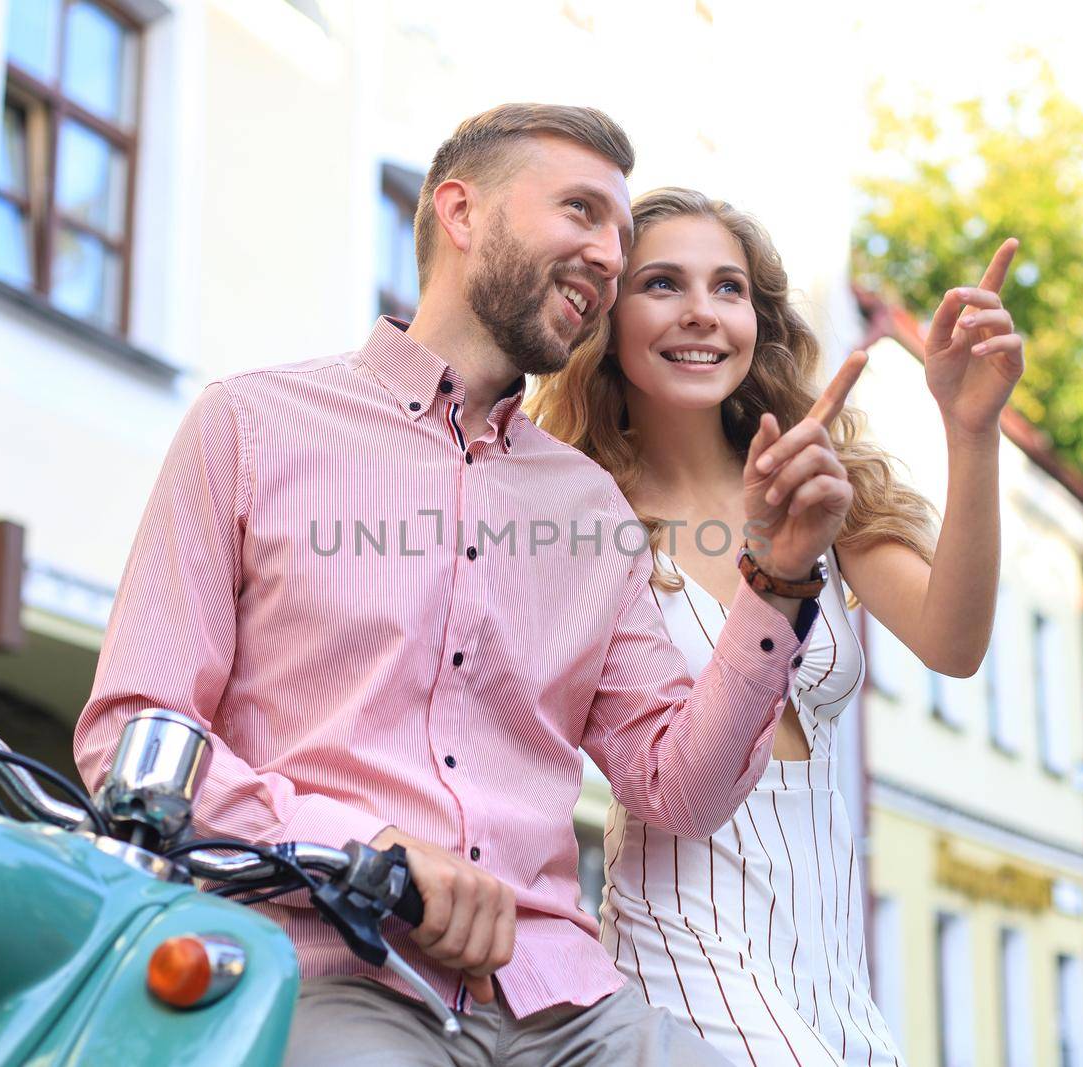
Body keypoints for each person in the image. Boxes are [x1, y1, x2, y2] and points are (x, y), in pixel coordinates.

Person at [74, 106, 867, 1067]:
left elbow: (678, 787)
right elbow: (132, 740)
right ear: (459, 210)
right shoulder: (248, 427)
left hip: (557, 1002)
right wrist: (367, 848)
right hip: (324, 970)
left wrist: (778, 579)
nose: (609, 256)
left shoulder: (590, 510)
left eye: (619, 236)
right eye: (581, 212)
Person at [528, 187, 1024, 1067]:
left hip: (828, 945)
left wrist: (970, 428)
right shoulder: (576, 510)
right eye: (662, 285)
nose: (701, 314)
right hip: (680, 931)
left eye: (728, 288)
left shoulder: (812, 474)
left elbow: (953, 640)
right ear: (607, 315)